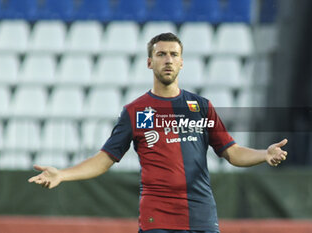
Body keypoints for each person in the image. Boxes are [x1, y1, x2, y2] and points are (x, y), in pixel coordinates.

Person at [28, 33, 288, 233]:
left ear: (182, 62)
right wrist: (63, 173)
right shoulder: (135, 111)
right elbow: (104, 158)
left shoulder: (201, 106)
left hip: (201, 214)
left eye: (174, 54)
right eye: (162, 54)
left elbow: (232, 152)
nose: (168, 60)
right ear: (150, 62)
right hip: (158, 217)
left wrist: (264, 154)